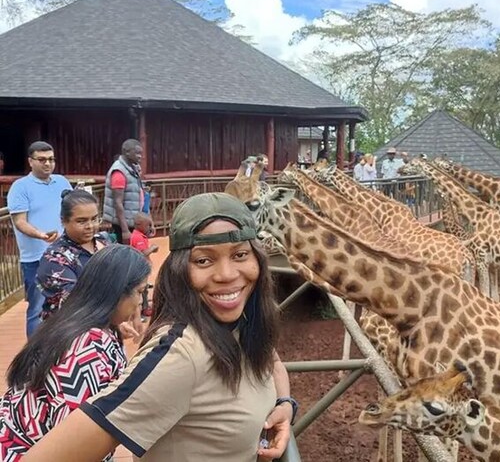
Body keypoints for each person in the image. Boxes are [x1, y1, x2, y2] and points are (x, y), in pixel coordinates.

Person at [25, 192, 296, 462]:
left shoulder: (243, 323)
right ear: (180, 271)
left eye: (239, 255)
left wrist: (284, 404)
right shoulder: (181, 356)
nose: (226, 274)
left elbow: (270, 360)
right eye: (204, 260)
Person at [0, 245, 150, 460]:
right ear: (116, 293)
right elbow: (77, 442)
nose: (139, 302)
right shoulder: (90, 349)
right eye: (139, 292)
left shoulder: (72, 320)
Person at [7, 141, 72, 337]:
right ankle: (33, 358)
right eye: (42, 159)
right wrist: (41, 235)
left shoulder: (62, 182)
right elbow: (20, 221)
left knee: (66, 305)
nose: (48, 164)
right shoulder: (20, 187)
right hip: (35, 258)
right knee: (36, 309)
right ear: (30, 161)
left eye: (51, 159)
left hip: (64, 254)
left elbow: (72, 208)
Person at [37, 189, 108, 321]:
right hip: (69, 331)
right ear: (64, 221)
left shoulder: (102, 241)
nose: (90, 226)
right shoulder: (55, 260)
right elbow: (75, 303)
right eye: (81, 221)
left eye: (94, 219)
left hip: (105, 324)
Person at [102, 139, 144, 244]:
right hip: (123, 224)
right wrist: (125, 230)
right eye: (137, 153)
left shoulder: (132, 168)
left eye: (141, 153)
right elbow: (118, 202)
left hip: (132, 220)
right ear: (127, 152)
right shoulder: (119, 172)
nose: (140, 156)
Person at [129, 212, 159, 320]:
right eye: (148, 225)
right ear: (139, 225)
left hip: (142, 267)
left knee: (144, 289)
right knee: (142, 290)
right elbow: (141, 253)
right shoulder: (137, 237)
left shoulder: (140, 235)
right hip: (140, 268)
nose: (149, 228)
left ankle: (145, 307)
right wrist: (152, 248)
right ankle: (143, 310)